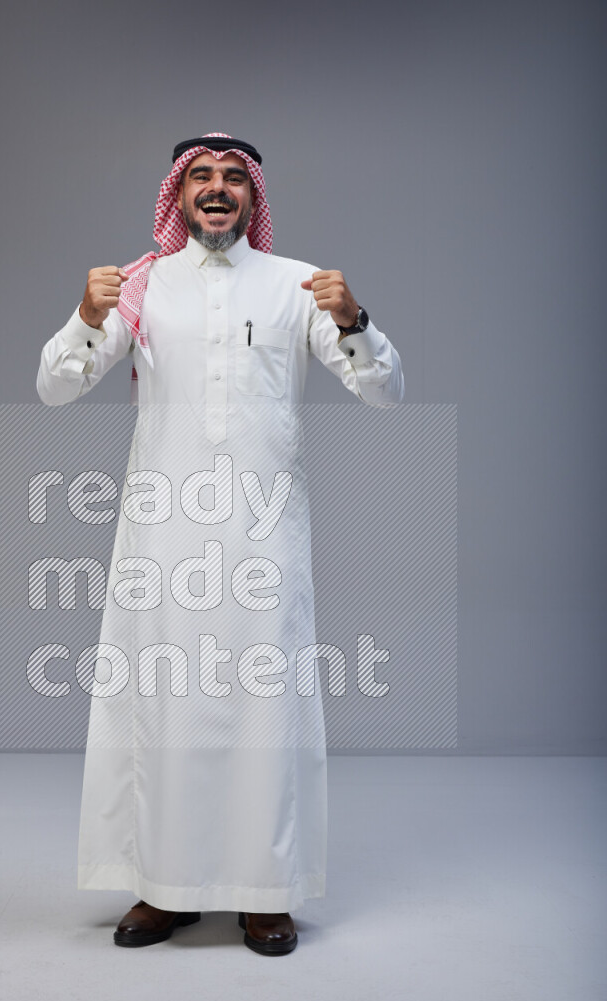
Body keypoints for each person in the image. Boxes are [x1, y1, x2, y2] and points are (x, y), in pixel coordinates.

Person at [37, 132, 404, 955]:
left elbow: (385, 391)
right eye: (200, 176)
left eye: (234, 178)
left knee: (262, 707)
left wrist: (355, 319)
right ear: (178, 194)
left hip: (264, 539)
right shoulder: (141, 285)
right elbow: (57, 386)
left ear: (252, 198)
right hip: (162, 536)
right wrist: (87, 316)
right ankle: (163, 888)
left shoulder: (296, 286)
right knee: (163, 704)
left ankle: (264, 892)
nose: (216, 188)